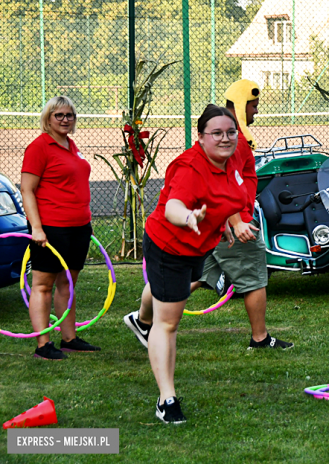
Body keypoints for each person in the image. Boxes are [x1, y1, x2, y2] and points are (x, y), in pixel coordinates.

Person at [123, 105, 246, 424]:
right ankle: (166, 399)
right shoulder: (190, 167)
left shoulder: (233, 158)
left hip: (199, 246)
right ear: (201, 137)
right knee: (168, 322)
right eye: (216, 133)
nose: (225, 138)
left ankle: (139, 319)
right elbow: (173, 207)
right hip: (170, 246)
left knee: (174, 292)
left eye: (230, 132)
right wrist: (190, 217)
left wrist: (226, 222)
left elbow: (230, 193)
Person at [190, 79, 292, 350]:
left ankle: (145, 318)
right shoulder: (231, 139)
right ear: (241, 104)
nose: (255, 111)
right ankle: (259, 338)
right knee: (255, 278)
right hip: (232, 223)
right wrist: (237, 221)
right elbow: (225, 183)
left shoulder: (232, 138)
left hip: (218, 220)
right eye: (253, 106)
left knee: (195, 276)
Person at [20, 96, 100, 360]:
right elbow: (27, 190)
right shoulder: (39, 147)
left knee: (68, 283)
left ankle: (69, 338)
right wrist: (37, 228)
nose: (66, 120)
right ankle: (43, 345)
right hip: (51, 229)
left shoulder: (70, 145)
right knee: (43, 285)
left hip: (79, 227)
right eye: (59, 115)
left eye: (70, 115)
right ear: (48, 118)